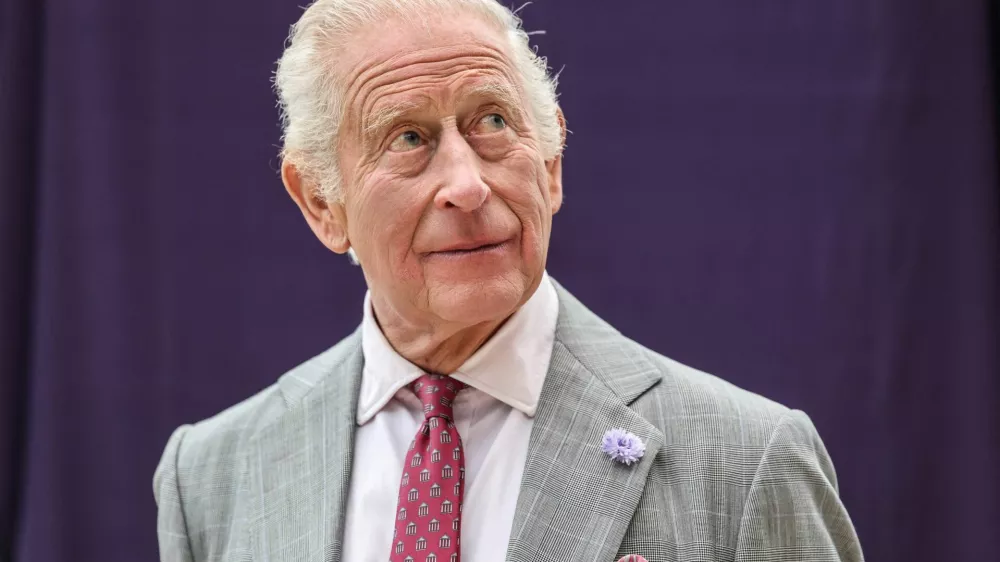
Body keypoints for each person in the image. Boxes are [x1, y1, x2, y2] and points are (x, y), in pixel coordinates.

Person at [153, 1, 865, 560]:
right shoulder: (212, 477)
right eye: (409, 138)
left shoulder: (745, 462)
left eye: (492, 122)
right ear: (319, 201)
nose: (467, 184)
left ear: (550, 165)